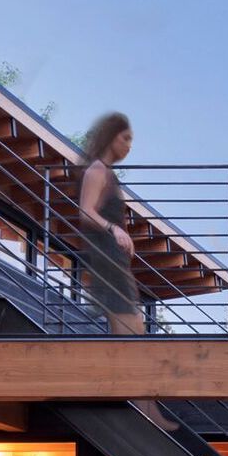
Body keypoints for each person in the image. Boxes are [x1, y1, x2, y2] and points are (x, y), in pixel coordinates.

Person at [76, 112, 143, 335]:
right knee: (132, 332)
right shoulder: (97, 171)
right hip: (109, 261)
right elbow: (85, 211)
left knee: (132, 331)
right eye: (126, 138)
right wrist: (113, 229)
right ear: (111, 136)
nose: (129, 145)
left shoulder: (108, 174)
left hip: (116, 261)